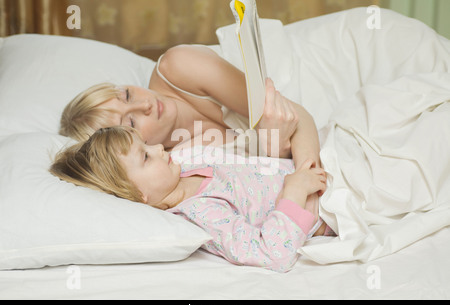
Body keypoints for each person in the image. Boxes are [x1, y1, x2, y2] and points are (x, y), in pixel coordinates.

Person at [50, 126, 334, 272]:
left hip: (320, 167)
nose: (160, 147)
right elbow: (273, 255)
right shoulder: (200, 213)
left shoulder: (185, 169)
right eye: (146, 156)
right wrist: (295, 194)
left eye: (147, 144)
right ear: (139, 195)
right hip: (326, 202)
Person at [59, 45, 321, 170]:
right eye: (131, 122)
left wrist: (307, 179)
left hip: (318, 91)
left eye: (127, 95)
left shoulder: (178, 67)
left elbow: (298, 116)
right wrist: (277, 152)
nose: (145, 104)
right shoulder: (174, 165)